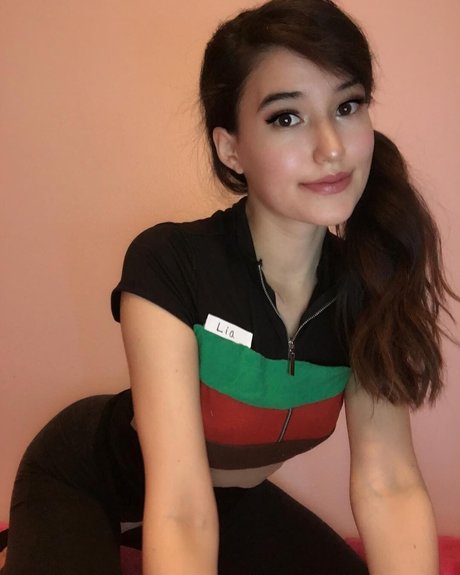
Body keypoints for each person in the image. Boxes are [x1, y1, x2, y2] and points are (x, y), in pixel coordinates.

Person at [1, 0, 457, 573]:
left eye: (347, 106)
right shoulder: (171, 262)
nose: (331, 147)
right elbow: (180, 508)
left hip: (227, 498)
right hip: (85, 480)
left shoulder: (366, 286)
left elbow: (388, 484)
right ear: (230, 148)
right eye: (286, 117)